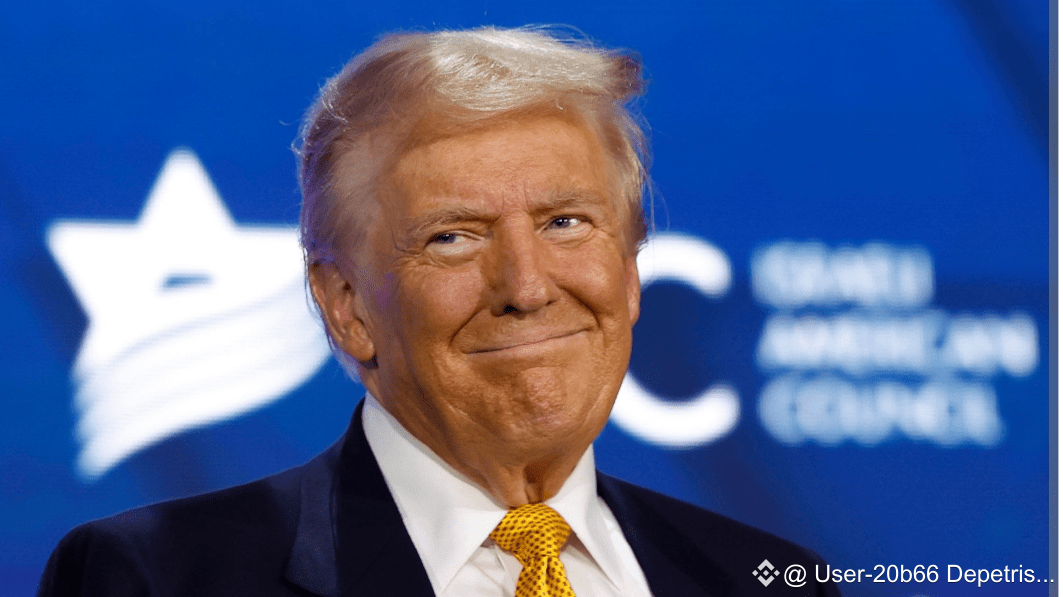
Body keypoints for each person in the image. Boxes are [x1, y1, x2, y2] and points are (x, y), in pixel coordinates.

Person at [38, 26, 840, 597]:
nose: (526, 286)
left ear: (629, 272)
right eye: (452, 237)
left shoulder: (770, 579)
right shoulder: (159, 575)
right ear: (345, 305)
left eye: (565, 222)